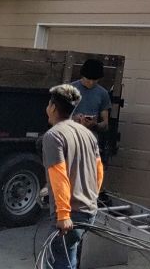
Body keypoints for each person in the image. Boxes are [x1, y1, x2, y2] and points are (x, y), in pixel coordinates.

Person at [43, 83, 103, 269]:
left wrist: (63, 214)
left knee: (59, 262)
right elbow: (98, 172)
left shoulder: (54, 136)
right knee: (69, 256)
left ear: (52, 107)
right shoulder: (87, 134)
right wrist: (91, 200)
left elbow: (59, 175)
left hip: (70, 215)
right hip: (87, 212)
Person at [71, 58, 112, 160]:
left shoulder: (103, 94)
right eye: (88, 79)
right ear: (82, 76)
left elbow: (105, 124)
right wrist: (74, 119)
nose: (91, 82)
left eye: (95, 80)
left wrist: (95, 124)